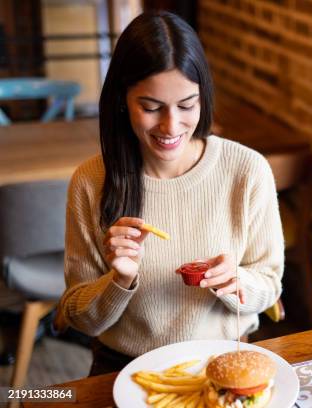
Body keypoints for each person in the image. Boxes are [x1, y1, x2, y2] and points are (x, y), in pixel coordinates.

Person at [59, 11, 284, 375]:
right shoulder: (90, 181)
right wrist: (119, 280)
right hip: (124, 370)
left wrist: (235, 281)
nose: (171, 126)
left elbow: (270, 284)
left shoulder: (247, 170)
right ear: (122, 99)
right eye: (150, 107)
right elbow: (79, 317)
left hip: (226, 362)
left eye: (187, 105)